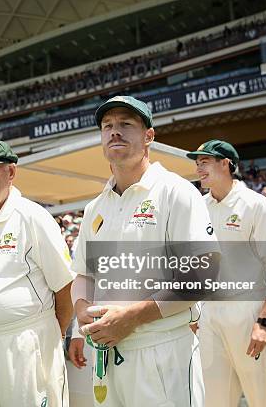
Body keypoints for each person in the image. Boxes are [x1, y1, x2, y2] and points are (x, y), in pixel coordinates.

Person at [69, 96, 220, 406]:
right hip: (108, 354)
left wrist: (132, 318)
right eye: (107, 126)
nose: (115, 132)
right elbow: (83, 273)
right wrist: (83, 309)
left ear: (148, 136)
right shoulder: (95, 207)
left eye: (126, 124)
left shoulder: (175, 191)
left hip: (162, 351)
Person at [0, 137, 74, 407]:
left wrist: (53, 334)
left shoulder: (32, 216)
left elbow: (65, 284)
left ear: (10, 173)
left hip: (25, 342)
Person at [187, 140, 266, 407]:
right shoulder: (199, 206)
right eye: (197, 163)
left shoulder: (255, 204)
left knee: (263, 398)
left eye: (205, 161)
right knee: (214, 400)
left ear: (227, 164)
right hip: (209, 315)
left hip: (249, 312)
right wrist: (195, 313)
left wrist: (264, 322)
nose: (199, 168)